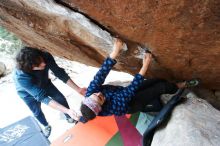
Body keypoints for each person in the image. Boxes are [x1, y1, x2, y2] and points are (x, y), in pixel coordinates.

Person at [79, 38, 199, 122]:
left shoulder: (90, 93)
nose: (99, 93)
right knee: (160, 88)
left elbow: (101, 75)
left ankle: (169, 85)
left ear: (88, 97)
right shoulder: (113, 107)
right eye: (100, 98)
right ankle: (181, 85)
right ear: (100, 107)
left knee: (153, 82)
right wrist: (145, 65)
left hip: (123, 91)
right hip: (132, 104)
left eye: (95, 94)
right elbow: (131, 90)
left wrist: (115, 52)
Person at [13, 47, 86, 137]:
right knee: (37, 111)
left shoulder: (45, 56)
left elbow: (59, 73)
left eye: (41, 59)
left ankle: (69, 116)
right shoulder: (21, 76)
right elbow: (42, 97)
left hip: (44, 83)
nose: (43, 64)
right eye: (38, 64)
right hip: (26, 93)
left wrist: (78, 89)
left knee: (60, 98)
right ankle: (46, 125)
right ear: (30, 68)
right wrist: (67, 110)